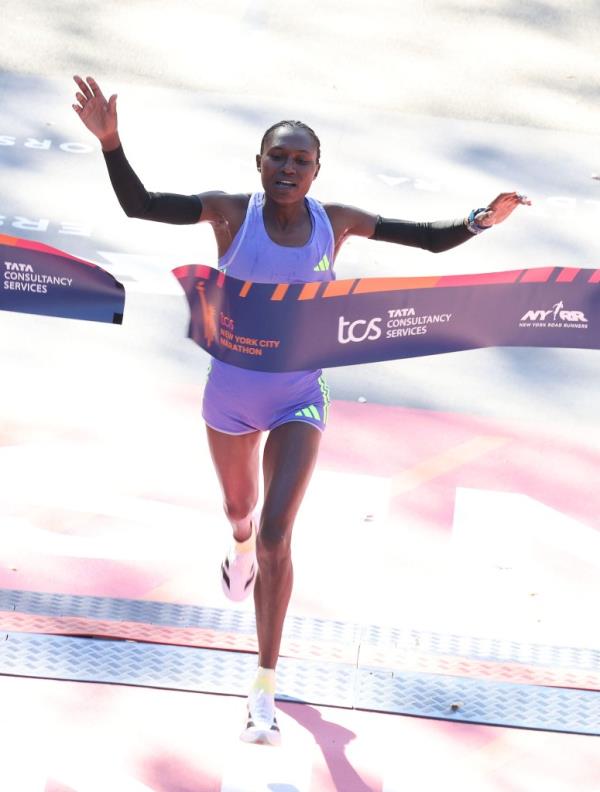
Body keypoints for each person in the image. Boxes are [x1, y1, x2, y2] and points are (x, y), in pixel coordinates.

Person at [72, 74, 530, 746]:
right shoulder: (231, 213)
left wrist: (482, 220)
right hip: (229, 393)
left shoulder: (333, 223)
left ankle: (262, 687)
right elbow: (141, 206)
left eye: (301, 160)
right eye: (277, 157)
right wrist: (111, 143)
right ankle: (237, 549)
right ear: (259, 165)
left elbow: (426, 240)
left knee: (279, 535)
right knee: (241, 516)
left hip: (297, 395)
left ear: (317, 171)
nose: (288, 168)